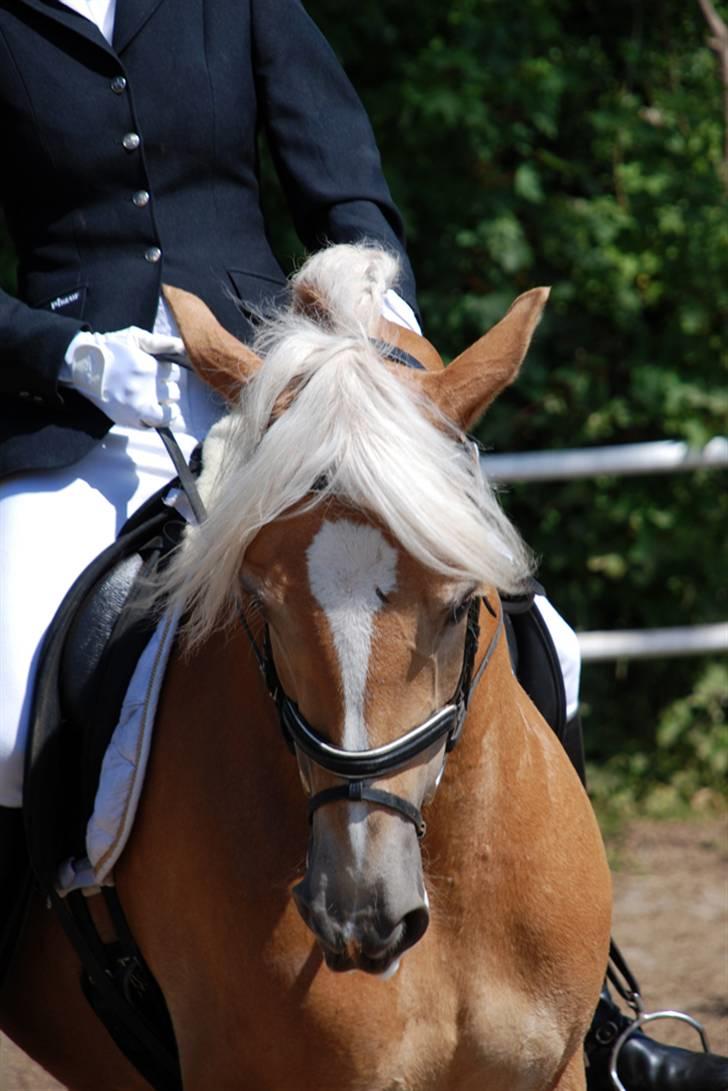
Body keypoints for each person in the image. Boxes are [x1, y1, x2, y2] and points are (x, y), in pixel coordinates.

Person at [0, 3, 725, 1088]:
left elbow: (343, 187)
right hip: (86, 421)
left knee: (548, 640)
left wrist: (370, 329)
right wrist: (70, 349)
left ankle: (603, 1011)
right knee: (5, 696)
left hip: (288, 387)